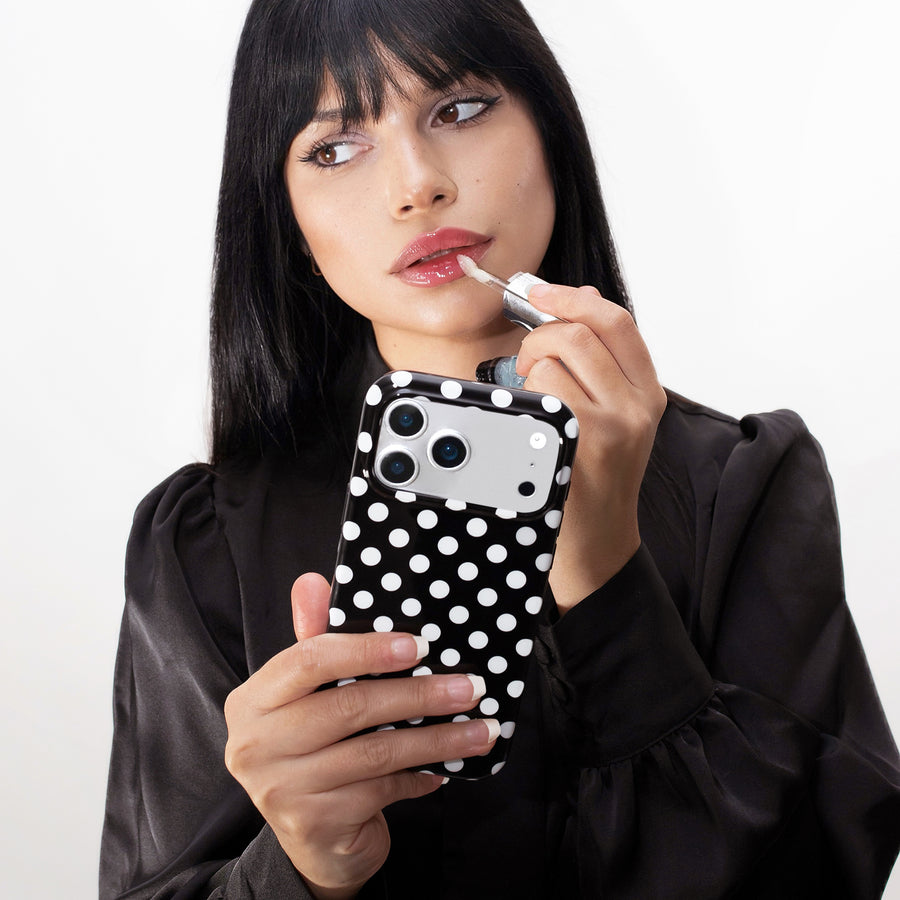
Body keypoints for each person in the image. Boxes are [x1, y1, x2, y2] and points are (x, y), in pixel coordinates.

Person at [99, 0, 900, 897]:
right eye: (334, 148)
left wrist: (604, 573)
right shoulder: (206, 539)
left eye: (460, 108)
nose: (416, 185)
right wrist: (303, 870)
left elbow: (827, 873)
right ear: (286, 219)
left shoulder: (742, 483)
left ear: (551, 130)